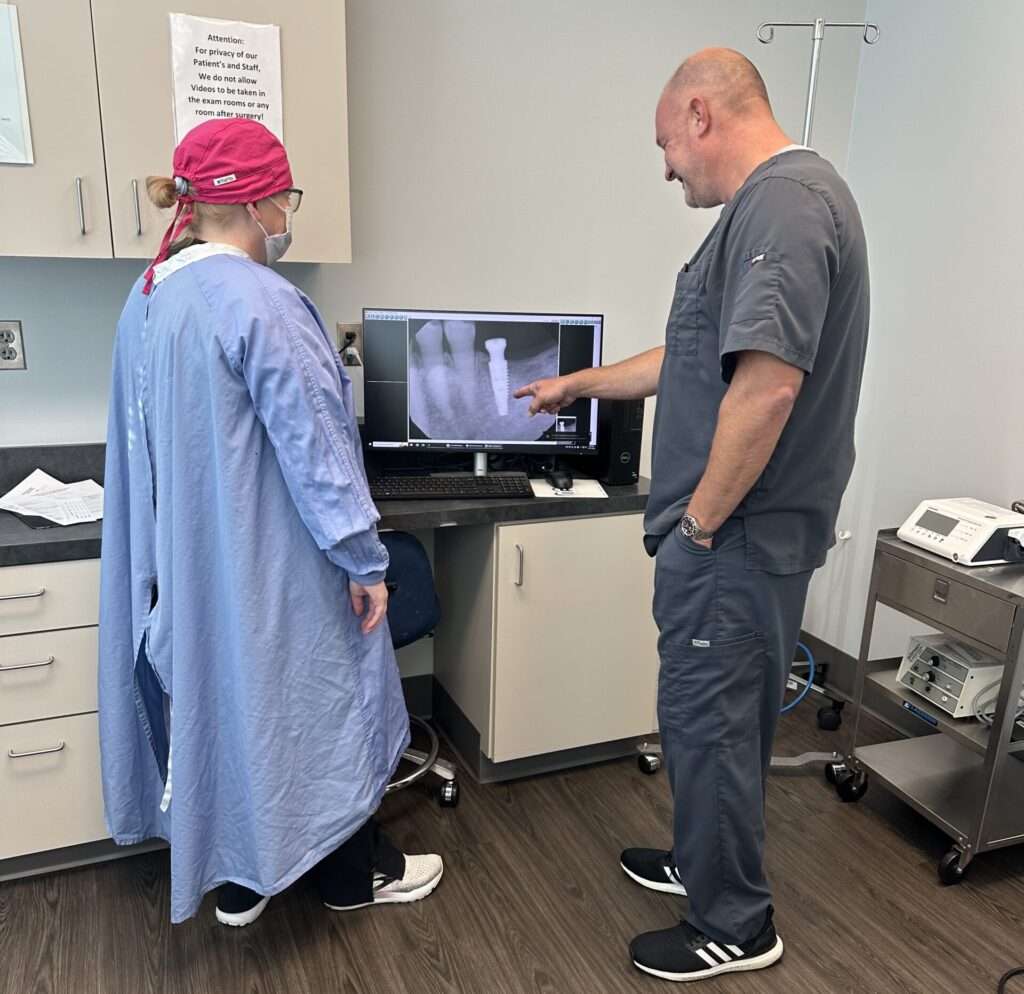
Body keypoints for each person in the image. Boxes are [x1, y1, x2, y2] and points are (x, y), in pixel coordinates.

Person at [515, 48, 870, 982]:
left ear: (703, 115)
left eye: (666, 143)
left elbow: (765, 391)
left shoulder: (785, 208)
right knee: (722, 722)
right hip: (741, 536)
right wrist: (581, 384)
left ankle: (737, 925)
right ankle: (702, 862)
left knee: (709, 722)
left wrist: (700, 527)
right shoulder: (767, 211)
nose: (664, 165)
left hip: (736, 536)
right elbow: (691, 358)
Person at [98, 117, 443, 926]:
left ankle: (241, 878)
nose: (288, 217)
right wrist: (364, 563)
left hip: (185, 568)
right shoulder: (263, 301)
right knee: (331, 702)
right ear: (257, 203)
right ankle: (354, 878)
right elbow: (320, 452)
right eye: (286, 199)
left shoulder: (148, 297)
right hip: (273, 562)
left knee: (223, 706)